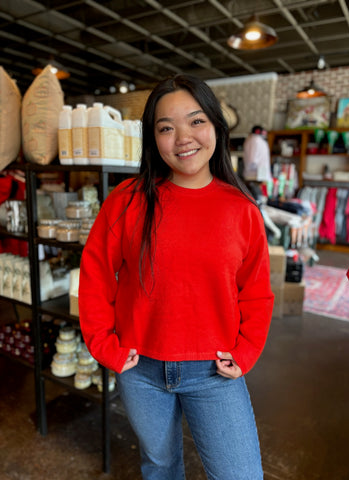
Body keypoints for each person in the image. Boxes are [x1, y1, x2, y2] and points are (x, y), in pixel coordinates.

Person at [79, 74, 274, 480]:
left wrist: (247, 350)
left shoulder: (241, 209)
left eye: (196, 121)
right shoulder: (127, 201)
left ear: (216, 127)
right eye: (166, 128)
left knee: (241, 474)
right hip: (141, 370)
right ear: (153, 139)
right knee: (160, 466)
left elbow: (255, 291)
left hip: (215, 371)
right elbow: (96, 272)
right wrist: (103, 343)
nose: (183, 137)